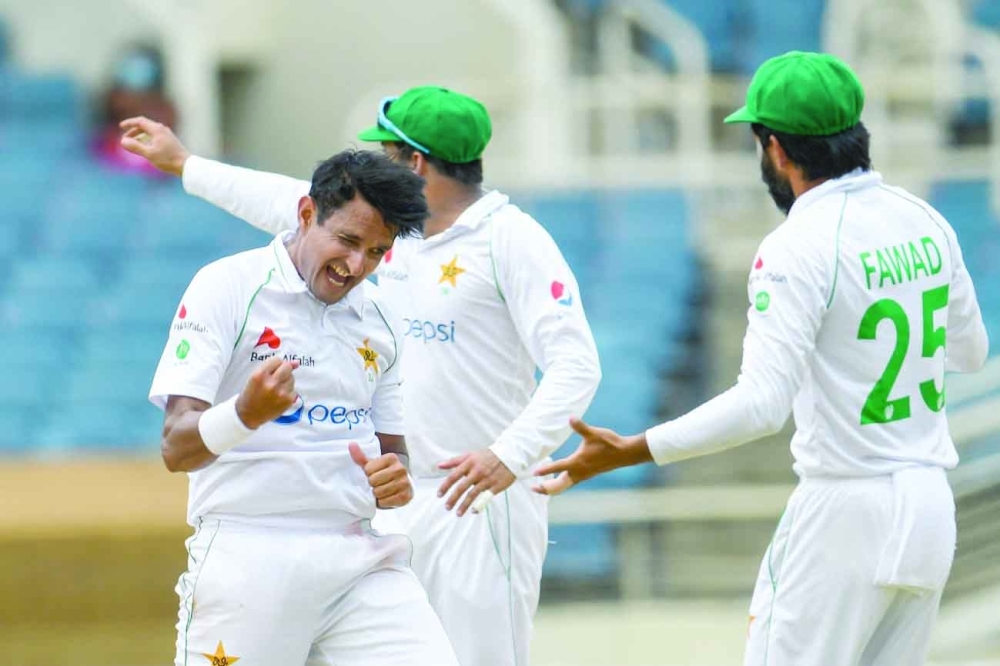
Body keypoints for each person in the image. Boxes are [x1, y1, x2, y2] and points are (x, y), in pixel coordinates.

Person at [535, 51, 989, 666]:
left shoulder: (795, 245)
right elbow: (970, 349)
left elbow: (760, 406)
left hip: (845, 509)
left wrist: (631, 449)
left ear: (774, 149)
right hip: (931, 505)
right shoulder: (924, 218)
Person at [121, 85, 602, 666]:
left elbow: (577, 363)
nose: (359, 263)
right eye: (353, 243)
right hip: (380, 506)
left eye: (385, 153)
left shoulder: (508, 240)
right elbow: (292, 204)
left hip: (473, 501)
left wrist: (508, 455)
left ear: (414, 162)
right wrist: (186, 164)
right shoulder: (363, 240)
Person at [148, 148, 459, 666]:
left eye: (377, 252)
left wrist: (397, 477)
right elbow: (176, 448)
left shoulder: (380, 313)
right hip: (250, 553)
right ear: (307, 213)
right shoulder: (227, 286)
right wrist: (245, 414)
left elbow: (392, 450)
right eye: (348, 241)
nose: (356, 266)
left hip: (359, 557)